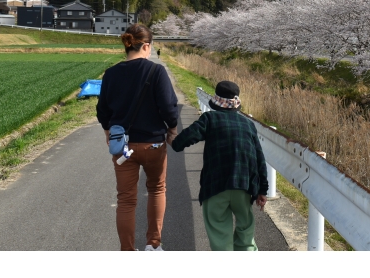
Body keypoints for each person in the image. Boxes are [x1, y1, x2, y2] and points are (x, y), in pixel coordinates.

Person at [97, 24, 179, 251]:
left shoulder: (111, 73)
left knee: (125, 199)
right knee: (156, 189)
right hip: (153, 144)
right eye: (150, 47)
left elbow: (102, 110)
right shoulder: (156, 71)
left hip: (122, 146)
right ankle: (153, 245)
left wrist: (108, 132)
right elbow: (169, 108)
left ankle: (127, 250)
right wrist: (172, 129)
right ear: (145, 46)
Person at [169, 80, 268, 251]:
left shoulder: (209, 119)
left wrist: (172, 139)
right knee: (246, 232)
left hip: (215, 186)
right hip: (243, 186)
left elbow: (181, 142)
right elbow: (260, 159)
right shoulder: (248, 124)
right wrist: (262, 190)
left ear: (217, 101)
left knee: (219, 235)